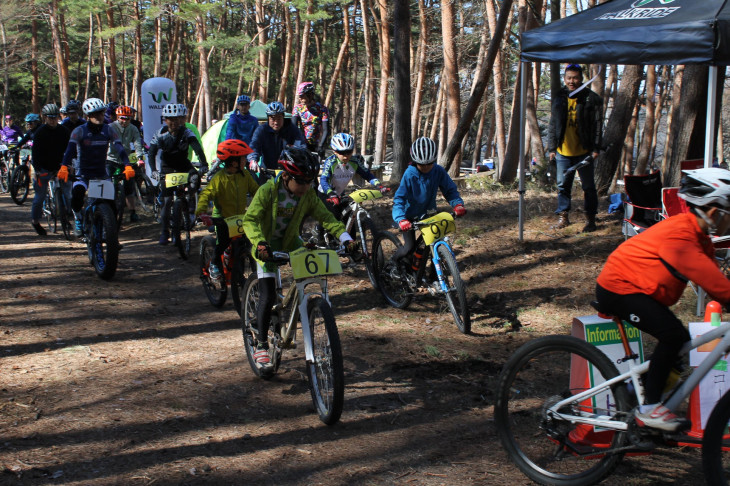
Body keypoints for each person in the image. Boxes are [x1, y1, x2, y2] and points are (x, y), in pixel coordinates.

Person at [596, 168, 730, 433]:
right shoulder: (681, 236)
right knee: (673, 336)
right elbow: (718, 287)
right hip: (618, 288)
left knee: (675, 351)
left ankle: (635, 395)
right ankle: (649, 409)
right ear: (715, 212)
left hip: (639, 290)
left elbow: (717, 284)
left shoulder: (700, 239)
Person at [242, 147, 357, 370]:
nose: (306, 186)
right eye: (301, 181)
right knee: (266, 293)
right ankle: (262, 345)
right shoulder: (267, 191)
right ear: (285, 176)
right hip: (265, 245)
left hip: (290, 242)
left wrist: (345, 238)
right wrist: (260, 243)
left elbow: (326, 217)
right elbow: (250, 220)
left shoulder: (308, 194)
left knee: (308, 269)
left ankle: (306, 311)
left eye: (310, 181)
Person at [57, 98, 134, 237]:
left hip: (101, 172)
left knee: (112, 206)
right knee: (77, 196)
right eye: (95, 114)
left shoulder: (108, 129)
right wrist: (64, 166)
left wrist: (127, 166)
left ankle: (110, 234)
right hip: (83, 173)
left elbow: (119, 148)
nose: (99, 116)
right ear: (88, 116)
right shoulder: (79, 131)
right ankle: (79, 219)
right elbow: (69, 150)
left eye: (101, 113)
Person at [392, 137, 466, 267]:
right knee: (409, 247)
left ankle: (434, 277)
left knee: (436, 244)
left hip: (429, 214)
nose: (426, 167)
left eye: (429, 164)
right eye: (422, 164)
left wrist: (457, 204)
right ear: (415, 162)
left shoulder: (438, 171)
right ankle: (392, 263)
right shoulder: (409, 174)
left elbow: (450, 190)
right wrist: (401, 218)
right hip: (409, 217)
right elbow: (399, 198)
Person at [548, 63, 602, 232]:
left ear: (581, 79)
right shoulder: (559, 97)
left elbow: (598, 125)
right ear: (565, 79)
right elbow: (552, 124)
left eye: (575, 78)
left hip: (584, 152)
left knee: (588, 187)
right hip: (563, 152)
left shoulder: (590, 98)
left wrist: (596, 148)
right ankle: (563, 217)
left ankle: (591, 219)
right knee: (563, 186)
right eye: (569, 78)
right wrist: (551, 148)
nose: (572, 81)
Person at [196, 139, 260, 285]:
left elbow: (257, 191)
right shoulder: (219, 178)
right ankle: (213, 264)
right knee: (223, 242)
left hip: (239, 217)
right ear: (233, 162)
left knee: (246, 242)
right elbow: (206, 194)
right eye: (243, 158)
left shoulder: (245, 175)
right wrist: (201, 211)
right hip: (222, 218)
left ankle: (238, 268)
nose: (245, 160)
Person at [148, 103, 208, 245]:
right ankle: (164, 232)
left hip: (184, 166)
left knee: (194, 180)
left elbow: (198, 149)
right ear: (165, 120)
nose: (174, 122)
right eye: (171, 119)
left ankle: (189, 205)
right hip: (167, 168)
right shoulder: (160, 133)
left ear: (182, 120)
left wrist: (204, 164)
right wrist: (154, 171)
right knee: (167, 201)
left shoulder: (187, 132)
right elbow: (151, 153)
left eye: (177, 119)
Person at [318, 132, 388, 221]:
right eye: (342, 152)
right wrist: (330, 193)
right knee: (333, 218)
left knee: (349, 219)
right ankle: (319, 230)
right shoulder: (330, 162)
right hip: (326, 193)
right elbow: (324, 180)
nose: (346, 156)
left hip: (340, 193)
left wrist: (379, 185)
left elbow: (367, 175)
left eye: (349, 152)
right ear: (334, 152)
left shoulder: (354, 161)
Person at [29, 104, 71, 235]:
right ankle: (35, 221)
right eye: (49, 117)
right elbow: (35, 153)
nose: (52, 120)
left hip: (60, 167)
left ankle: (70, 218)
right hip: (43, 168)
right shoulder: (40, 132)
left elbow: (70, 149)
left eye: (55, 117)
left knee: (69, 194)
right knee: (39, 197)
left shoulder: (64, 131)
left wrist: (69, 164)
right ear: (44, 117)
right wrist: (37, 169)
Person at [247, 101, 306, 181]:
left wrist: (298, 157)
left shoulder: (292, 129)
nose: (276, 122)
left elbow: (301, 146)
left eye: (279, 118)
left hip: (287, 172)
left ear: (283, 117)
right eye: (273, 119)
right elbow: (254, 146)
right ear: (268, 118)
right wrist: (253, 160)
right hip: (266, 170)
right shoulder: (261, 130)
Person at [107, 105, 146, 222]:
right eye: (122, 118)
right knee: (107, 182)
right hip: (111, 158)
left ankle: (133, 212)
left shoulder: (133, 128)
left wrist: (140, 157)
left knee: (129, 185)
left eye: (128, 118)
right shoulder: (110, 127)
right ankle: (107, 209)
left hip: (126, 160)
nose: (125, 121)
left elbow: (137, 143)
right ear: (118, 117)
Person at [291, 81, 330, 155]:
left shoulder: (322, 109)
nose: (300, 99)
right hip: (301, 144)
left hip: (317, 145)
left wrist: (321, 145)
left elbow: (326, 130)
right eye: (299, 96)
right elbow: (293, 127)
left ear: (310, 95)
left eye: (302, 96)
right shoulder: (297, 109)